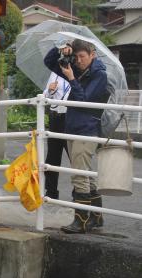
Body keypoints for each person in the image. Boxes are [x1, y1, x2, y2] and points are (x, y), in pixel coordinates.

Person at [44, 39, 110, 234]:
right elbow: (49, 62)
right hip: (72, 128)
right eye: (77, 56)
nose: (78, 60)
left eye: (82, 57)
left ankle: (80, 221)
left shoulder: (99, 75)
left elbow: (83, 100)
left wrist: (72, 79)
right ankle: (96, 217)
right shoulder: (76, 67)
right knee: (87, 176)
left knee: (80, 175)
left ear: (93, 55)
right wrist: (61, 49)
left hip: (86, 130)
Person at [43, 71, 71, 199]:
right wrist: (49, 91)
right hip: (55, 117)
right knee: (52, 157)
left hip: (70, 118)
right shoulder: (55, 72)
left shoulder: (78, 72)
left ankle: (80, 193)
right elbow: (45, 95)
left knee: (74, 155)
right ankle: (51, 192)